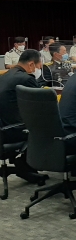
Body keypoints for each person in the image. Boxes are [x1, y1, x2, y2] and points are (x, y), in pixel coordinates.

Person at [0, 49, 47, 183]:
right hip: (13, 129)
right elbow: (42, 104)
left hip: (4, 126)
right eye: (39, 66)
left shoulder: (6, 75)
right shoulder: (26, 79)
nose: (39, 70)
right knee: (48, 126)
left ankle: (26, 164)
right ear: (31, 64)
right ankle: (25, 162)